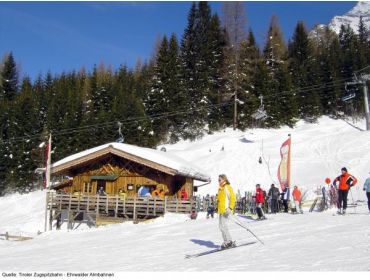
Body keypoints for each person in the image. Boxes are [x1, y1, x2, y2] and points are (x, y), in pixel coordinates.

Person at [217, 174, 236, 249]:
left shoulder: (227, 187)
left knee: (223, 226)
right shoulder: (220, 188)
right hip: (221, 210)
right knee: (221, 226)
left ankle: (229, 241)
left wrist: (230, 208)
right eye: (218, 180)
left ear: (224, 180)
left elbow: (233, 198)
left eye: (220, 180)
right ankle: (227, 241)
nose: (218, 181)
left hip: (226, 210)